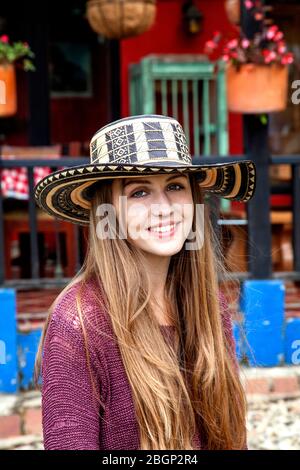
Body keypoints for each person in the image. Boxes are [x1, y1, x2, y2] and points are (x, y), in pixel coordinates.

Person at [34, 114, 256, 450]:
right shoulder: (78, 322)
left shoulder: (210, 304)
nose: (163, 207)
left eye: (175, 186)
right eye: (139, 192)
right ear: (108, 211)